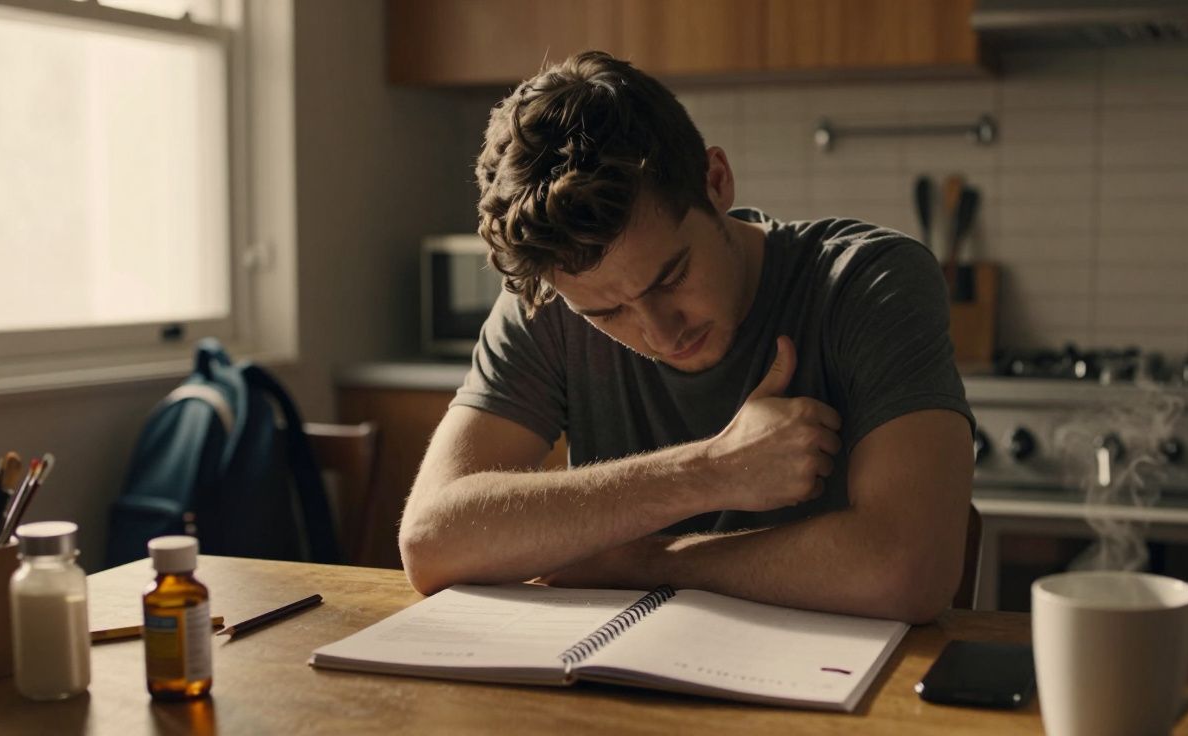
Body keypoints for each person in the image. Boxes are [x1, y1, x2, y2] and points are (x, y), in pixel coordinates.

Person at [399, 50, 974, 623]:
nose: (659, 330)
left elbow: (909, 571)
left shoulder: (867, 281)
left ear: (715, 181)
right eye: (606, 314)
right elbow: (431, 541)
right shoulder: (550, 303)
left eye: (671, 277)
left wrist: (649, 562)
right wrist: (711, 472)